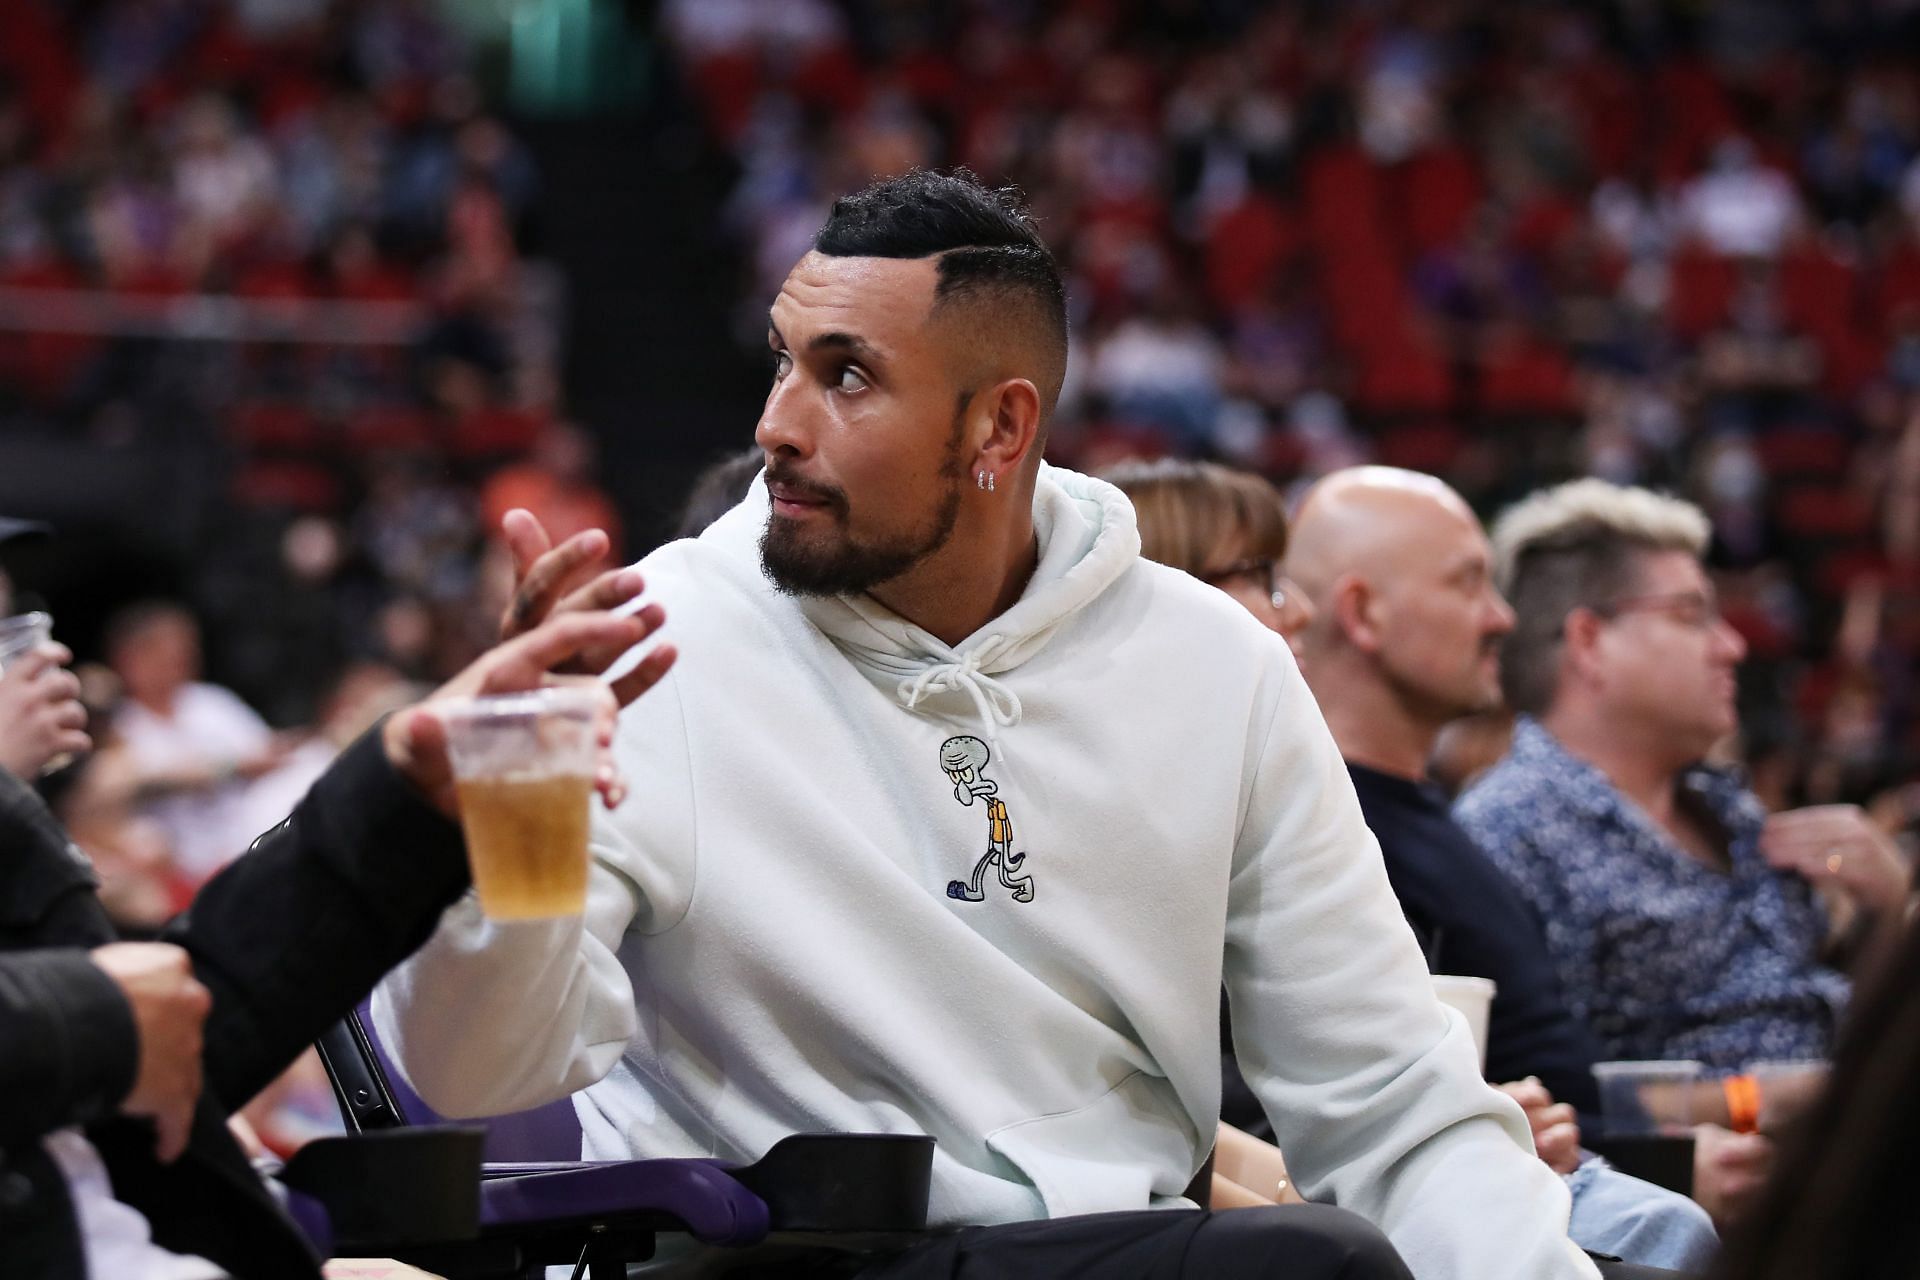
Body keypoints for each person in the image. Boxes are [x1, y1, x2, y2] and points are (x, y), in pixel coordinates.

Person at [379, 169, 1646, 1278]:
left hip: (1132, 1244)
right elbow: (476, 1071)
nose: (776, 423)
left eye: (849, 376)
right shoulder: (650, 642)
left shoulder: (1216, 670)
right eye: (784, 357)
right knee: (1308, 1267)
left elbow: (1391, 1096)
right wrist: (522, 806)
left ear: (1000, 428)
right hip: (779, 1257)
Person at [1, 595, 673, 1280]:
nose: (41, 655)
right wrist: (88, 1017)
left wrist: (402, 794)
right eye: (2, 635)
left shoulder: (209, 712)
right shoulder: (115, 786)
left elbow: (196, 1028)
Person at [1280, 466, 1719, 1270]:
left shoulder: (1430, 819)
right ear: (1362, 614)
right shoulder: (1326, 834)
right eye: (1468, 584)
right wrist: (1675, 1164)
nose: (1502, 617)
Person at [1455, 479, 1911, 1072]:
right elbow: (1543, 1098)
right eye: (1692, 615)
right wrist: (1769, 1106)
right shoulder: (1508, 832)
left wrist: (1889, 913)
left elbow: (1811, 1004)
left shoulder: (1727, 806)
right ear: (1590, 641)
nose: (1732, 646)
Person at [104, 602, 282, 884]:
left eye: (185, 649)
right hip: (176, 867)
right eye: (164, 651)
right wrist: (231, 768)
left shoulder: (210, 701)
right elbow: (133, 781)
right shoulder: (117, 725)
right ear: (130, 658)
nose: (183, 658)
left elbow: (270, 753)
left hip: (248, 843)